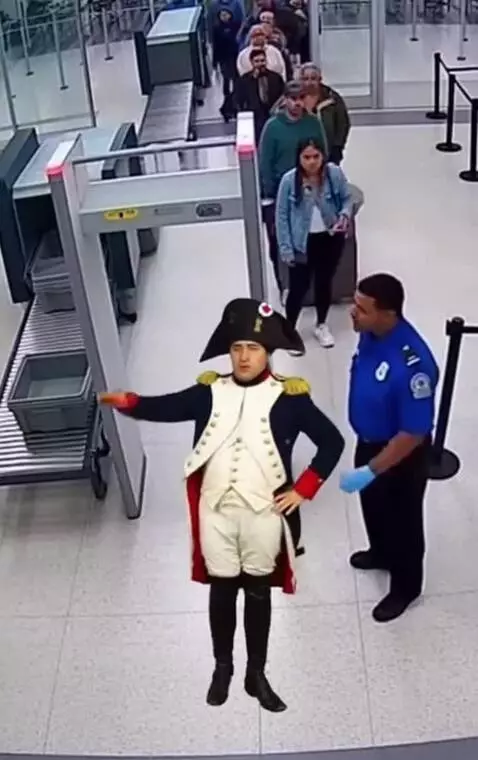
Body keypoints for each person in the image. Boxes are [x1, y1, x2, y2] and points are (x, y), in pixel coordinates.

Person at [98, 299, 345, 712]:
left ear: (268, 352)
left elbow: (332, 442)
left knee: (259, 595)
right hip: (216, 513)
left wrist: (303, 488)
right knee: (222, 593)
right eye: (237, 348)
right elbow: (167, 406)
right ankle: (223, 667)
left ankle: (257, 673)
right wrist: (130, 402)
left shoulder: (291, 397)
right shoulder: (208, 391)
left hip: (264, 514)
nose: (244, 356)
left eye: (253, 348)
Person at [340, 274, 439, 623]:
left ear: (388, 314)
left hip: (400, 454)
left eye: (362, 309)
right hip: (369, 441)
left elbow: (412, 433)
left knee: (404, 522)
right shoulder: (370, 334)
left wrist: (372, 468)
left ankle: (406, 587)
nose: (353, 313)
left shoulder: (414, 365)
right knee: (373, 506)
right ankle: (381, 552)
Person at [275, 138, 352, 348]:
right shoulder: (289, 181)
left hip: (329, 238)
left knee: (324, 282)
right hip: (302, 242)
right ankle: (288, 329)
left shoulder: (334, 174)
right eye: (306, 157)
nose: (311, 162)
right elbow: (281, 216)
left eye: (316, 157)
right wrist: (285, 247)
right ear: (299, 158)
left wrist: (344, 214)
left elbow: (347, 198)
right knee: (298, 287)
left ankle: (321, 324)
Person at [259, 79, 328, 293]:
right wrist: (269, 193)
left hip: (309, 190)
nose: (297, 104)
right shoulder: (273, 127)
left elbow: (323, 154)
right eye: (292, 99)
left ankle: (307, 284)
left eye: (301, 99)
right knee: (278, 238)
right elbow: (265, 163)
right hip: (279, 191)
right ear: (285, 100)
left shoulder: (313, 123)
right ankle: (282, 283)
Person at [299, 63, 351, 165]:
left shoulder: (332, 98)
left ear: (320, 79)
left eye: (313, 78)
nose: (309, 82)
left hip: (328, 151)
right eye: (305, 79)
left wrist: (338, 147)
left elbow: (343, 124)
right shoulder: (295, 98)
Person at [235, 48, 285, 141]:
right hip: (255, 117)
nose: (260, 64)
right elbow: (240, 98)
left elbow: (283, 95)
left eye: (262, 60)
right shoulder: (244, 80)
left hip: (273, 114)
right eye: (257, 61)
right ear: (252, 62)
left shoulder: (276, 77)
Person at [211, 7, 241, 120]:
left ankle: (234, 100)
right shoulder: (217, 29)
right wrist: (215, 61)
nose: (224, 17)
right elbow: (215, 45)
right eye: (222, 15)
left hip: (235, 56)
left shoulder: (236, 26)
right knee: (226, 79)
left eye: (226, 14)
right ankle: (227, 98)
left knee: (236, 79)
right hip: (224, 58)